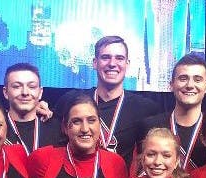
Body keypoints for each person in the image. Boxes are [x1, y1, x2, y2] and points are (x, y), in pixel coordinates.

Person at [56, 35, 160, 165]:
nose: (112, 64)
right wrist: (37, 107)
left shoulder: (145, 108)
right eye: (105, 57)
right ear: (95, 63)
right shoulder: (72, 100)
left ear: (127, 64)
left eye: (119, 58)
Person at [141, 54, 206, 171]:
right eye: (183, 79)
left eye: (197, 80)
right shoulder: (150, 126)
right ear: (171, 85)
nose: (190, 85)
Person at [2, 62, 59, 154]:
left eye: (32, 87)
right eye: (17, 86)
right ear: (5, 92)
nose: (25, 92)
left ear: (40, 92)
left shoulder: (56, 129)